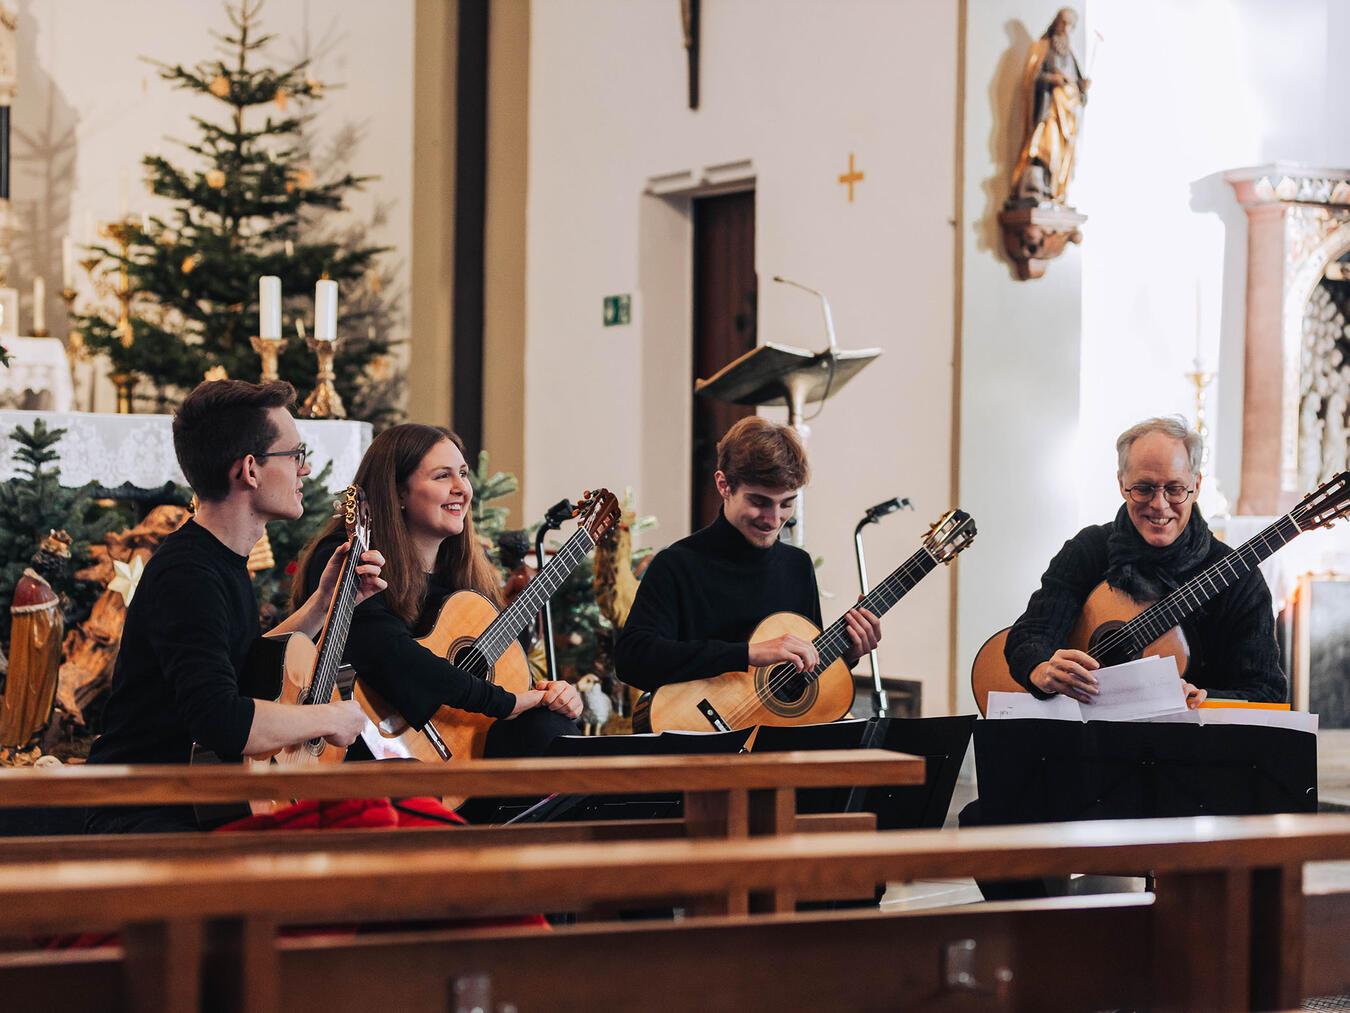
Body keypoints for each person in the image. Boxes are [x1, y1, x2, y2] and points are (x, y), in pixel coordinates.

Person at [86, 380, 386, 833]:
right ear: (250, 469)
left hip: (192, 804)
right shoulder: (188, 575)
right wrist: (328, 717)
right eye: (296, 454)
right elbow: (221, 720)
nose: (304, 470)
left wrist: (322, 604)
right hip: (144, 815)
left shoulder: (216, 560)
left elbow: (244, 665)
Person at [293, 423, 581, 763]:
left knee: (550, 728)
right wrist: (510, 703)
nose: (462, 488)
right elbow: (394, 657)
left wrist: (552, 692)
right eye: (442, 476)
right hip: (373, 751)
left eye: (463, 473)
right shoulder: (349, 555)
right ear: (398, 492)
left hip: (465, 744)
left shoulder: (466, 573)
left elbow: (504, 671)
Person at [1005, 415, 1285, 707]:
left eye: (1175, 489)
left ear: (1197, 485)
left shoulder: (1239, 577)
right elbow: (1031, 634)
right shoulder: (1088, 550)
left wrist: (1209, 699)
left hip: (1187, 744)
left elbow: (1266, 691)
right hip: (1087, 742)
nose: (1159, 504)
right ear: (1122, 483)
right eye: (1143, 488)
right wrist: (1041, 669)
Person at [615, 416, 881, 695]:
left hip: (776, 735)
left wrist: (847, 656)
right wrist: (747, 654)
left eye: (786, 503)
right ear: (724, 485)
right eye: (759, 502)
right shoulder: (677, 564)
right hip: (700, 735)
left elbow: (797, 680)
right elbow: (632, 660)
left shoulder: (797, 567)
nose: (774, 519)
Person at [1008, 7, 1090, 207]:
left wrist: (1082, 88)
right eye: (1063, 23)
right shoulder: (1043, 48)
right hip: (1049, 111)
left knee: (1061, 152)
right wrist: (1053, 78)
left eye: (1070, 25)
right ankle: (1040, 187)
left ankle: (1054, 192)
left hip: (1068, 114)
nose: (1065, 28)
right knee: (1045, 147)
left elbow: (1079, 90)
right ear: (1056, 23)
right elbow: (1032, 79)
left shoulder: (1071, 54)